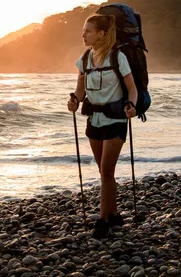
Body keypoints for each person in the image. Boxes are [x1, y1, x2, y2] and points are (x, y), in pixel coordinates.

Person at [67, 13, 138, 239]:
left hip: (115, 119)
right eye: (83, 30)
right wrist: (75, 101)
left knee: (107, 171)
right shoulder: (85, 59)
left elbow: (132, 88)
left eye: (88, 30)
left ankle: (102, 220)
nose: (83, 34)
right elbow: (80, 89)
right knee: (103, 171)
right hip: (94, 120)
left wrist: (132, 105)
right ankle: (114, 213)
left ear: (102, 34)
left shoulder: (118, 58)